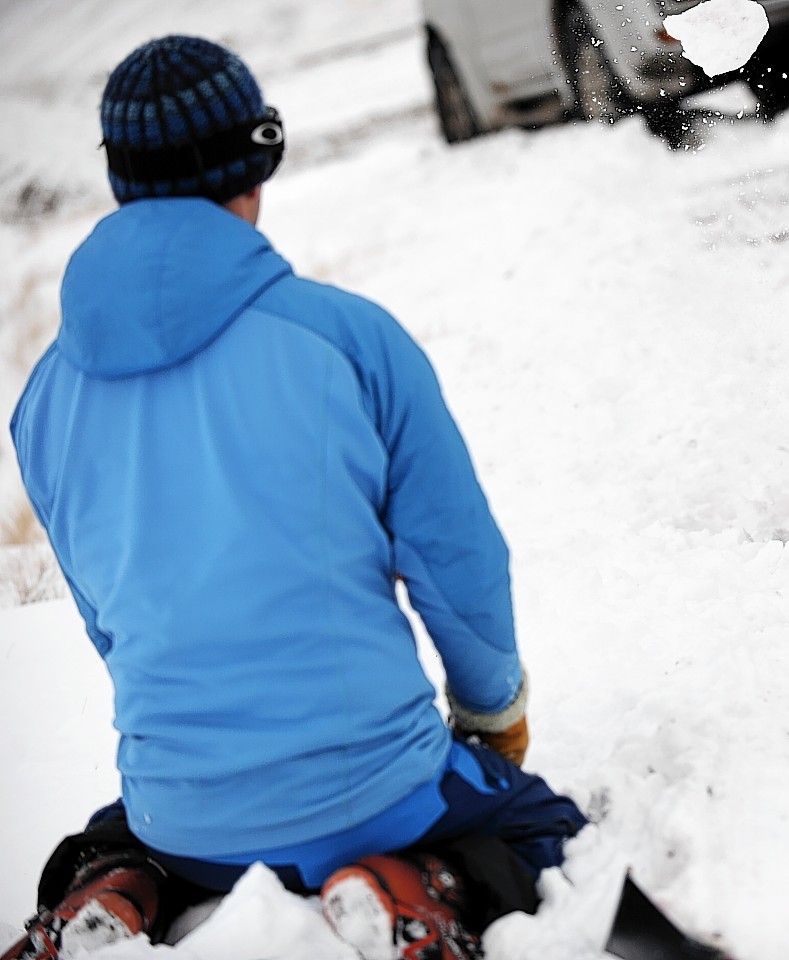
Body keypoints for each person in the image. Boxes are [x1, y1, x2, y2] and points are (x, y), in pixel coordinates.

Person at [5, 35, 584, 960]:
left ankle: (114, 890)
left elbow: (108, 618)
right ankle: (407, 883)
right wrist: (490, 716)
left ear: (119, 177)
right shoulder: (348, 339)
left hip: (179, 811)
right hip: (374, 793)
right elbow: (456, 561)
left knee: (122, 831)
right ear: (257, 155)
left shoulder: (43, 399)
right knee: (536, 824)